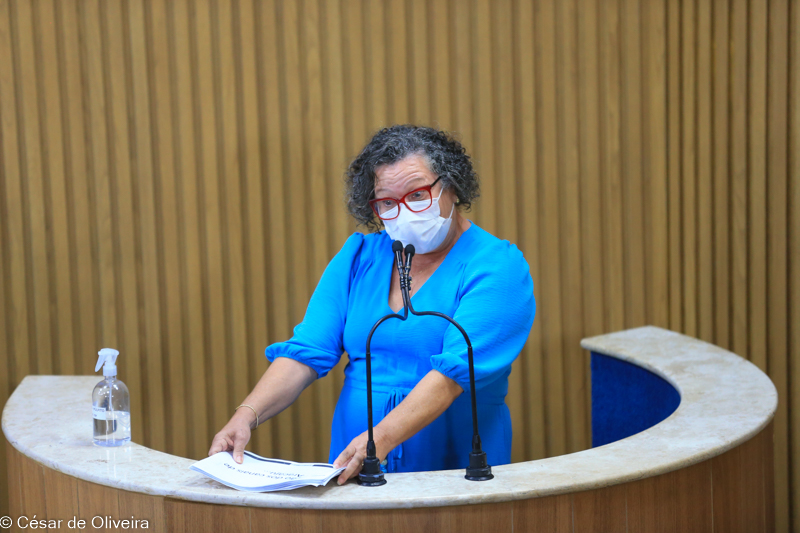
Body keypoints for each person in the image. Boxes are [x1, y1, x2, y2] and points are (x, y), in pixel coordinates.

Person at [208, 125, 535, 485]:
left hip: (453, 465)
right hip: (358, 461)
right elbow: (307, 351)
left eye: (418, 195)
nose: (404, 212)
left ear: (452, 186)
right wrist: (246, 415)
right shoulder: (358, 255)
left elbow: (451, 377)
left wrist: (379, 439)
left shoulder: (498, 265)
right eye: (387, 203)